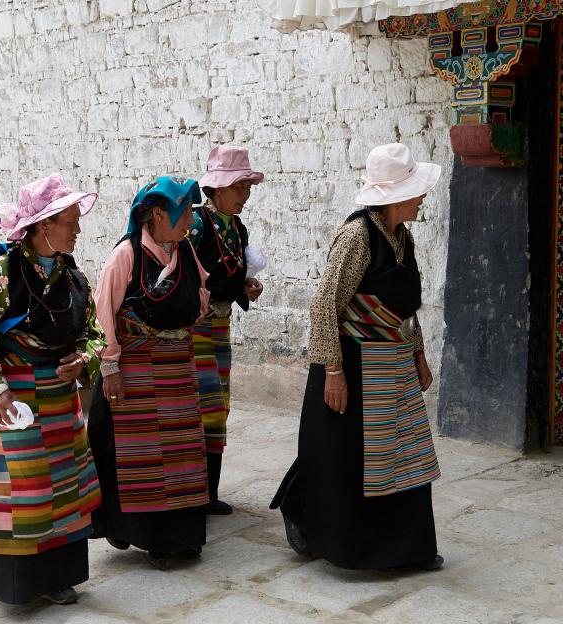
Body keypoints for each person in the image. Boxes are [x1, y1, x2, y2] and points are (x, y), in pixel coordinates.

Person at [271, 143, 443, 571]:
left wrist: (418, 354)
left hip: (393, 363)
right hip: (352, 362)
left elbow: (405, 307)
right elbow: (324, 304)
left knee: (400, 453)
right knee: (346, 457)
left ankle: (406, 547)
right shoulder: (357, 236)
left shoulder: (403, 237)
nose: (423, 198)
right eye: (417, 191)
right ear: (396, 196)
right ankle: (343, 539)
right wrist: (333, 370)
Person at [0, 174, 104, 605]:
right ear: (44, 225)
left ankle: (59, 578)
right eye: (71, 221)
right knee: (25, 492)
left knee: (65, 487)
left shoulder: (72, 276)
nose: (78, 230)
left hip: (61, 399)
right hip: (16, 397)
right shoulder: (1, 274)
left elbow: (93, 332)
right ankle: (19, 584)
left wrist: (83, 359)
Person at [88, 176, 211, 566]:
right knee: (143, 456)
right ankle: (148, 536)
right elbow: (102, 312)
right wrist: (110, 367)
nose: (190, 219)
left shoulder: (185, 251)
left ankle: (182, 535)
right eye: (185, 211)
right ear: (158, 214)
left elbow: (202, 297)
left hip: (175, 370)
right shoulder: (126, 255)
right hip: (136, 373)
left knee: (182, 454)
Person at [189, 145, 265, 515]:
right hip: (196, 329)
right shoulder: (196, 224)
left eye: (247, 188)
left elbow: (231, 276)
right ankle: (195, 490)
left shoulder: (236, 227)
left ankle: (209, 492)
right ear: (218, 189)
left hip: (221, 327)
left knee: (220, 402)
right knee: (205, 404)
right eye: (240, 188)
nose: (245, 195)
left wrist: (245, 287)